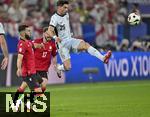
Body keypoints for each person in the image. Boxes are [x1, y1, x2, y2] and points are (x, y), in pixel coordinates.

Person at [48, 0, 112, 73]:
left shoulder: (66, 14)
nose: (66, 9)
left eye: (67, 8)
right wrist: (55, 37)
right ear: (59, 7)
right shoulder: (54, 18)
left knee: (85, 45)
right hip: (62, 44)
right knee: (68, 67)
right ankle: (59, 68)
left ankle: (103, 58)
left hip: (70, 40)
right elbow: (49, 30)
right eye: (65, 7)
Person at [17, 27, 59, 94]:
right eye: (48, 34)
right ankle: (16, 101)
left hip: (44, 70)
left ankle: (28, 101)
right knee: (24, 87)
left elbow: (54, 56)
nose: (50, 36)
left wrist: (56, 67)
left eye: (51, 34)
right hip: (34, 69)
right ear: (44, 34)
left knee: (43, 86)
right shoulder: (36, 41)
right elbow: (30, 46)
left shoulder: (53, 45)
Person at [13, 24, 44, 111]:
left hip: (33, 71)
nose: (30, 32)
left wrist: (40, 45)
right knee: (39, 92)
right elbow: (19, 58)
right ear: (23, 33)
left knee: (23, 88)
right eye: (28, 31)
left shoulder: (28, 42)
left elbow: (35, 45)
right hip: (28, 73)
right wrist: (18, 68)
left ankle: (15, 103)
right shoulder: (22, 44)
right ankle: (27, 104)